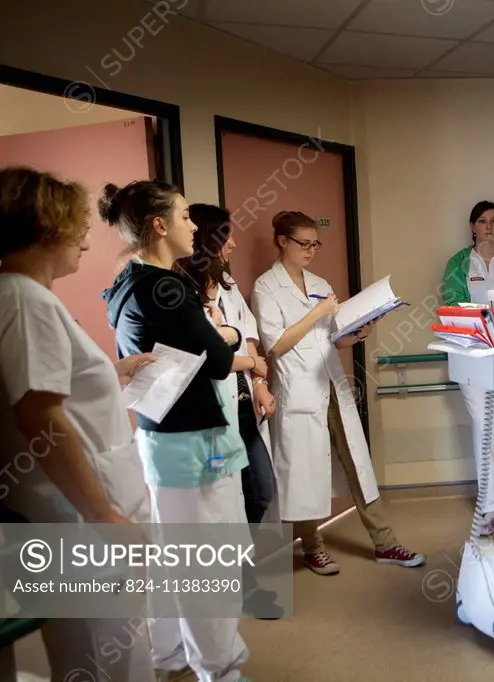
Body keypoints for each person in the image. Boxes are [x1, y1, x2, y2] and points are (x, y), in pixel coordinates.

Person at [0, 166, 157, 682]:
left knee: (87, 651)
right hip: (78, 520)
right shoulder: (26, 300)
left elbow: (45, 388)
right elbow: (38, 415)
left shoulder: (21, 297)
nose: (86, 243)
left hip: (66, 516)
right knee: (107, 654)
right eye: (76, 228)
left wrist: (110, 372)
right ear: (45, 227)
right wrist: (103, 513)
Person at [99, 180, 251, 682]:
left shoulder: (126, 281)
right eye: (186, 216)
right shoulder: (164, 287)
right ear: (160, 225)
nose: (194, 226)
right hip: (193, 444)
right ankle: (219, 669)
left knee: (176, 554)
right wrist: (227, 334)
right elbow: (221, 358)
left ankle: (171, 655)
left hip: (165, 439)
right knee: (207, 562)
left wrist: (216, 337)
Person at [251, 210, 424, 575]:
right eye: (304, 243)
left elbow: (333, 339)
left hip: (332, 386)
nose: (311, 250)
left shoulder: (317, 281)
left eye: (316, 243)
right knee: (304, 473)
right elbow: (275, 344)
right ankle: (312, 547)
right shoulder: (266, 287)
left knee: (358, 465)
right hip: (297, 392)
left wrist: (360, 330)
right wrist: (316, 313)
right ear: (282, 241)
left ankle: (385, 542)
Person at [177, 203, 282, 619]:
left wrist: (258, 382)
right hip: (211, 416)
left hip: (240, 409)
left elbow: (247, 337)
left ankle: (239, 576)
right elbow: (210, 356)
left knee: (259, 490)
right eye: (226, 235)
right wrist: (248, 363)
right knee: (224, 503)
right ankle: (240, 584)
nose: (234, 243)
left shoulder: (226, 284)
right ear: (206, 241)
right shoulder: (182, 289)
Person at [442, 200, 494, 535]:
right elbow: (451, 303)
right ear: (473, 226)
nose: (488, 227)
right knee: (483, 425)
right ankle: (491, 507)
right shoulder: (459, 262)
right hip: (471, 354)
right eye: (482, 221)